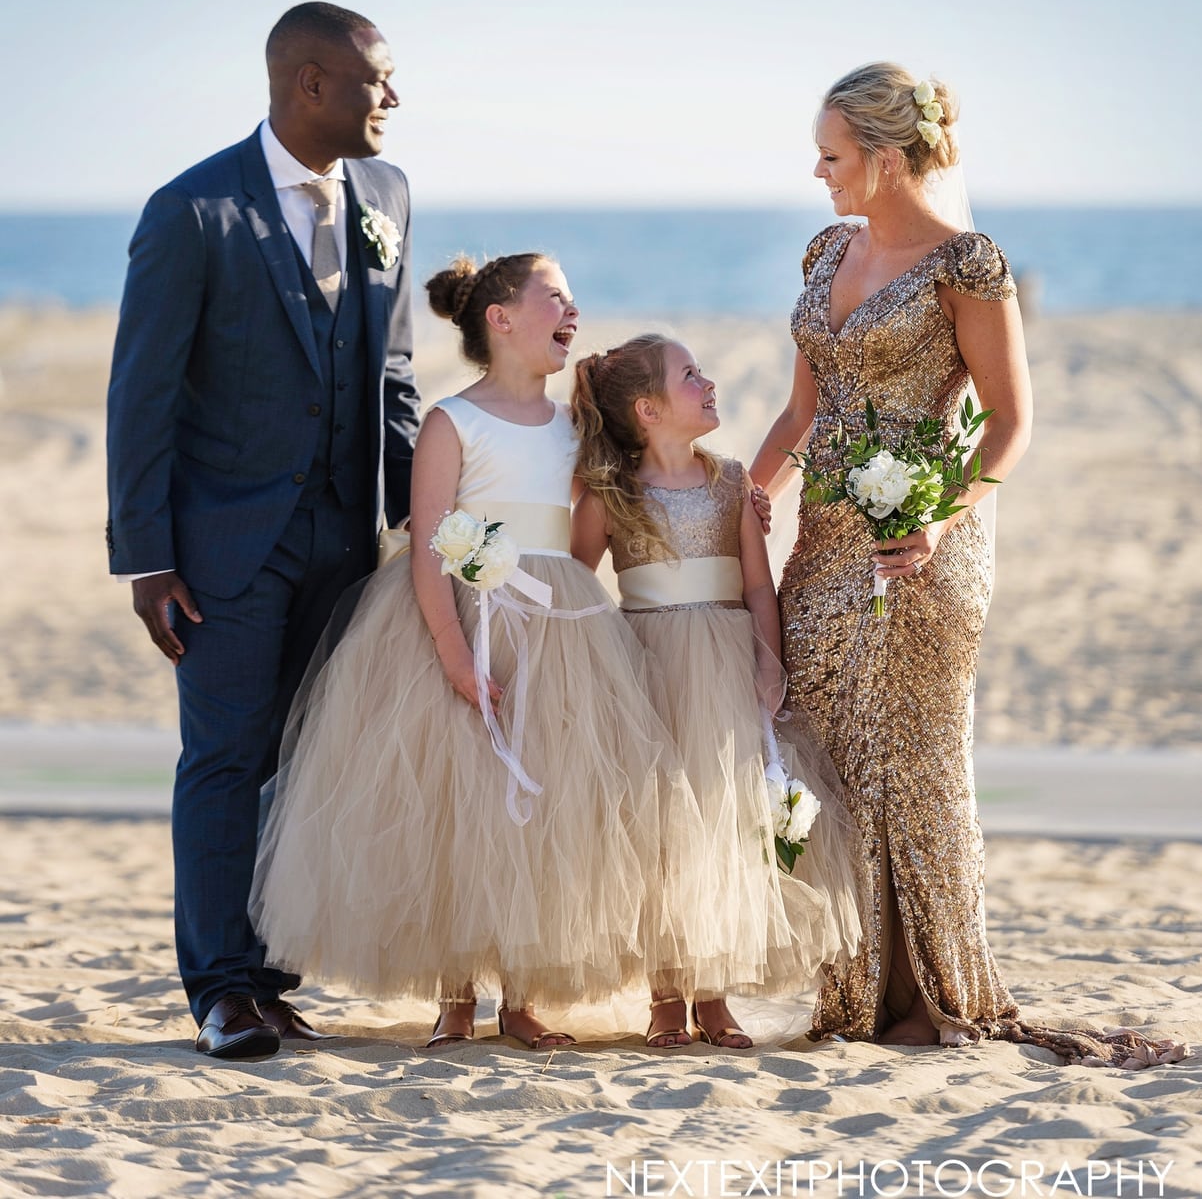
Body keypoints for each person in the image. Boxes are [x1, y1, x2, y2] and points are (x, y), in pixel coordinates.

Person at [749, 62, 1185, 1068]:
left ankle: (929, 993)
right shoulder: (824, 252)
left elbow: (1010, 423)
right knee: (825, 744)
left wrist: (941, 518)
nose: (816, 172)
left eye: (829, 155)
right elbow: (802, 409)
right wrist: (752, 489)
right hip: (822, 537)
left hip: (924, 544)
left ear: (884, 155)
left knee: (916, 761)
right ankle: (850, 987)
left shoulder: (965, 266)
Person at [251, 253, 698, 1051]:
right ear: (501, 318)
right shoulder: (454, 421)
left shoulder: (574, 426)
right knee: (455, 811)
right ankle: (454, 995)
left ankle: (522, 998)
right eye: (555, 297)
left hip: (557, 629)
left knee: (546, 807)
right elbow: (427, 545)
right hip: (456, 622)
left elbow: (599, 521)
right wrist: (454, 651)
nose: (573, 310)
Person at [106, 2, 419, 1060]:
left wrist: (418, 528)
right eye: (379, 80)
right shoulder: (191, 210)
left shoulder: (388, 195)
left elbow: (394, 375)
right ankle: (221, 988)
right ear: (312, 84)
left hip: (343, 539)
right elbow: (140, 396)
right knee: (227, 757)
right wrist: (145, 558)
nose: (395, 99)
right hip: (223, 549)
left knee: (305, 760)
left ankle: (275, 975)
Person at [571, 336, 866, 1050]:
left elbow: (758, 585)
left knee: (725, 822)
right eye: (690, 376)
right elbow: (577, 587)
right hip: (647, 665)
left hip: (727, 663)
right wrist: (591, 673)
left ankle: (715, 993)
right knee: (662, 829)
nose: (708, 383)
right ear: (649, 410)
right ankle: (665, 996)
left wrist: (770, 665)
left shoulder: (733, 481)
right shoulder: (609, 493)